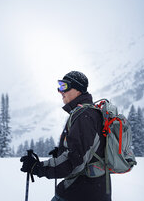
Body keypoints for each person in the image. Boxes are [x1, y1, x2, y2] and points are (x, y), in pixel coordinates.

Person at [20, 71, 111, 201]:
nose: (60, 91)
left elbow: (73, 161)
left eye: (64, 86)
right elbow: (89, 151)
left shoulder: (84, 116)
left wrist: (38, 168)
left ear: (78, 89)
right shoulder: (89, 113)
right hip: (94, 190)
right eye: (59, 86)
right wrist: (62, 151)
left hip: (80, 192)